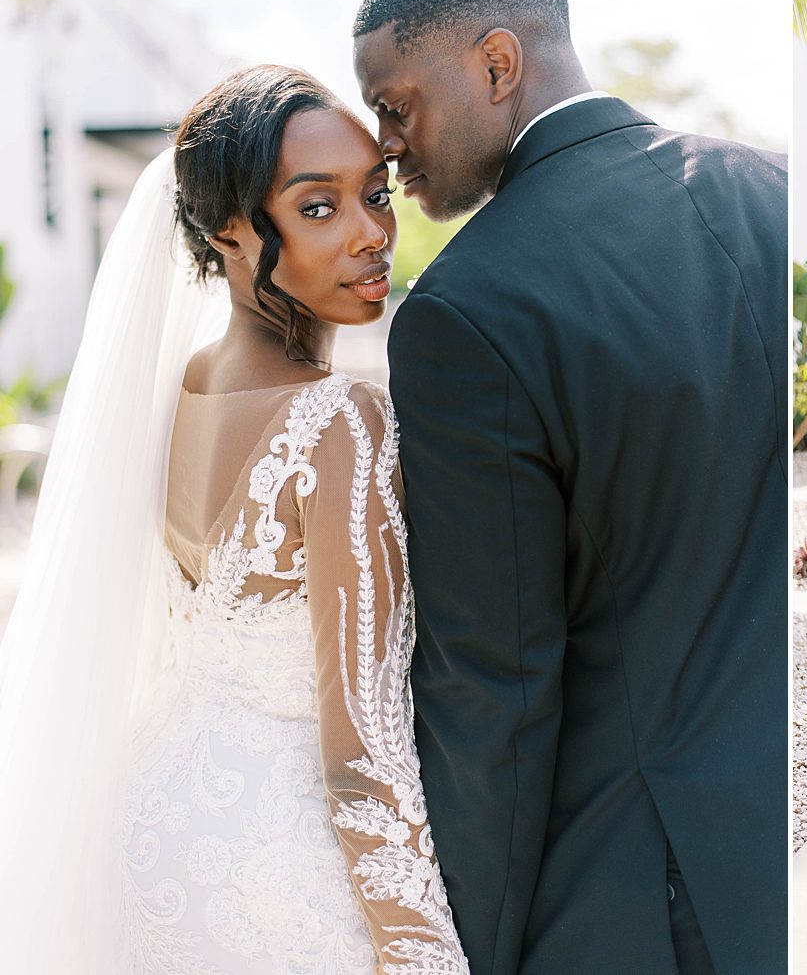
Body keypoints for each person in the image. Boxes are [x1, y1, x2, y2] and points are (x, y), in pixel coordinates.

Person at [352, 0, 788, 975]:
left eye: (397, 105)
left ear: (497, 66)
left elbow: (493, 682)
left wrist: (462, 944)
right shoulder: (776, 189)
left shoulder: (468, 308)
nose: (386, 147)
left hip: (637, 892)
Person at [0, 65, 467, 973]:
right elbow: (360, 750)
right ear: (229, 232)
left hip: (150, 824)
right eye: (318, 208)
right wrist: (421, 950)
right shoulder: (341, 421)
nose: (374, 233)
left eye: (374, 194)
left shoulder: (178, 391)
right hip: (274, 865)